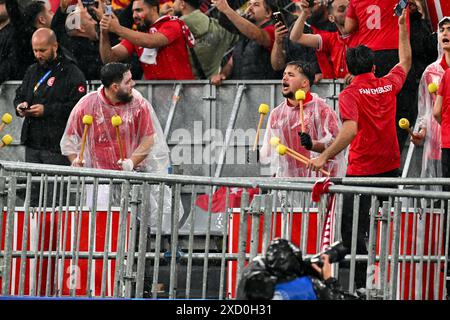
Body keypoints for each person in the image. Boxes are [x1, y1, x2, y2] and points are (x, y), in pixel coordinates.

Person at [308, 10, 411, 289]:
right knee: (385, 228)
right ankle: (383, 285)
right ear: (374, 67)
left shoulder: (350, 93)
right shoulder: (387, 84)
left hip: (362, 172)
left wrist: (323, 156)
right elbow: (405, 61)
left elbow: (350, 130)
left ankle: (357, 287)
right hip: (390, 168)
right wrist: (403, 26)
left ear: (349, 71)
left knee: (354, 234)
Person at [344, 0, 415, 156]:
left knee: (370, 108)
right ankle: (393, 148)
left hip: (368, 55)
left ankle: (373, 148)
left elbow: (348, 27)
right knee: (401, 108)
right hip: (395, 50)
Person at [260, 60, 346, 178]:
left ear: (304, 83)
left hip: (320, 183)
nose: (284, 78)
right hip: (289, 185)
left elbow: (337, 144)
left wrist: (313, 144)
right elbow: (268, 152)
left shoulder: (322, 109)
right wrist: (254, 155)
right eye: (284, 74)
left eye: (290, 75)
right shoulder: (276, 114)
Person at [99, 0, 195, 80]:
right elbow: (109, 58)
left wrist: (118, 29)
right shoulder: (138, 35)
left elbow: (151, 42)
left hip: (183, 91)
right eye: (133, 11)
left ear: (153, 9)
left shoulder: (172, 24)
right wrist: (104, 33)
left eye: (139, 10)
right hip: (154, 94)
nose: (134, 15)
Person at [412, 17, 449, 190]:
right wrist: (422, 130)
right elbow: (425, 108)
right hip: (436, 140)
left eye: (449, 29)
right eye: (442, 30)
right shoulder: (431, 71)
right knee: (439, 196)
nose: (445, 33)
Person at [210, 0, 279, 84]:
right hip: (240, 92)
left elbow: (256, 35)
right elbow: (231, 63)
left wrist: (227, 9)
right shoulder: (245, 33)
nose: (249, 8)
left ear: (268, 13)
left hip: (264, 93)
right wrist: (222, 74)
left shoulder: (274, 30)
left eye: (256, 5)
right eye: (249, 4)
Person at [290, 0, 355, 82]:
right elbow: (295, 37)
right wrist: (305, 13)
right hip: (339, 92)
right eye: (341, 10)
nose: (348, 12)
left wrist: (361, 75)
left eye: (350, 8)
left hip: (363, 90)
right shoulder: (330, 39)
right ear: (331, 18)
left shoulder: (365, 35)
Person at [172, 0, 239, 79]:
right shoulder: (220, 29)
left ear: (182, 4)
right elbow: (241, 37)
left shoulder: (174, 25)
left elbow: (155, 38)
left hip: (182, 87)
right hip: (210, 86)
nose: (172, 5)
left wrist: (160, 15)